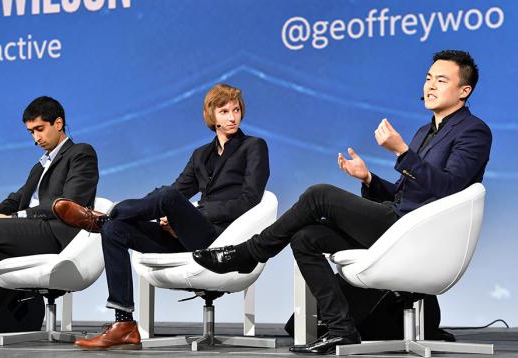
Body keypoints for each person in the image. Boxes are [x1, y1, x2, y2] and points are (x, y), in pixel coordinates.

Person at [193, 50, 493, 354]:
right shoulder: (423, 132)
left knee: (319, 194)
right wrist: (368, 180)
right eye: (429, 78)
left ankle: (250, 253)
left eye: (441, 81)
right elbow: (405, 194)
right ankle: (341, 330)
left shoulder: (474, 131)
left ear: (463, 91)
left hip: (418, 232)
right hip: (397, 221)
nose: (430, 86)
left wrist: (402, 152)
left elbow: (449, 188)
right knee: (305, 237)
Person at [53, 83, 270, 350]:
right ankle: (124, 324)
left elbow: (249, 200)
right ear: (211, 115)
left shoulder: (253, 146)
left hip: (220, 238)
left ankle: (102, 217)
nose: (232, 116)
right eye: (224, 111)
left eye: (236, 110)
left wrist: (187, 213)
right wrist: (168, 220)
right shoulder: (201, 155)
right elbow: (178, 190)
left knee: (165, 198)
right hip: (187, 236)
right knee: (115, 231)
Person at [0, 96, 99, 332]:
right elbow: (16, 198)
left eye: (39, 129)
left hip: (58, 232)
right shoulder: (40, 166)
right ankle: (6, 320)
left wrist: (14, 219)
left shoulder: (81, 153)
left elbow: (67, 203)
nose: (36, 138)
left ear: (58, 123)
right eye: (31, 132)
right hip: (34, 232)